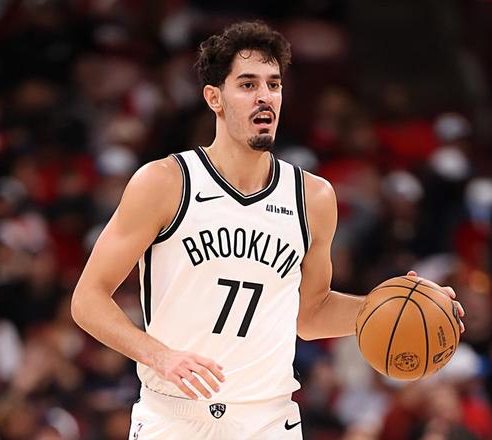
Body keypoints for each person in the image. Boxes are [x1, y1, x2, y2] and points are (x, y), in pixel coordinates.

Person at [71, 21, 465, 439]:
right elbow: (87, 299)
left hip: (268, 421)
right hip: (174, 417)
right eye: (247, 84)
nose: (265, 96)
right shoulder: (166, 182)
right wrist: (158, 356)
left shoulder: (313, 197)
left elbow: (309, 315)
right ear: (214, 98)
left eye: (273, 84)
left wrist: (396, 307)